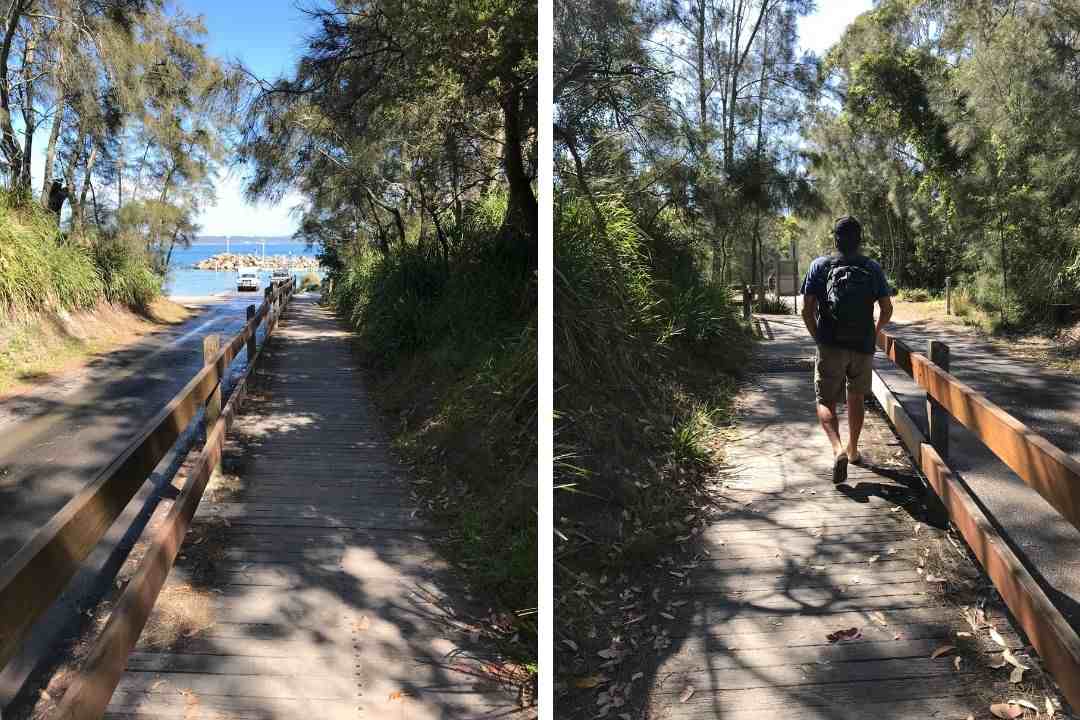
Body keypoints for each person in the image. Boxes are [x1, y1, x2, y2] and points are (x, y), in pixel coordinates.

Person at [800, 216, 893, 483]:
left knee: (825, 400)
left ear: (835, 239)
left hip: (831, 344)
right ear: (859, 240)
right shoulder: (872, 267)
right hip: (862, 346)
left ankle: (837, 448)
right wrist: (872, 334)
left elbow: (807, 311)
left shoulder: (819, 266)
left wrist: (819, 338)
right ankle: (853, 451)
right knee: (856, 397)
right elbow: (887, 310)